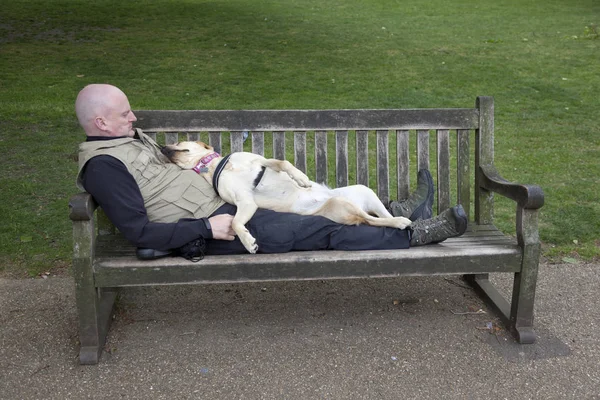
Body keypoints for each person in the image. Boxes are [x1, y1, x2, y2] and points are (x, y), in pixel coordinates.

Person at [74, 84, 467, 260]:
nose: (134, 116)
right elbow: (138, 232)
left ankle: (396, 210)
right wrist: (205, 230)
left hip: (231, 200)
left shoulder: (125, 141)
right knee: (319, 228)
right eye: (125, 113)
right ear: (101, 123)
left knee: (313, 197)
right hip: (221, 225)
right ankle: (415, 234)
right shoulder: (105, 167)